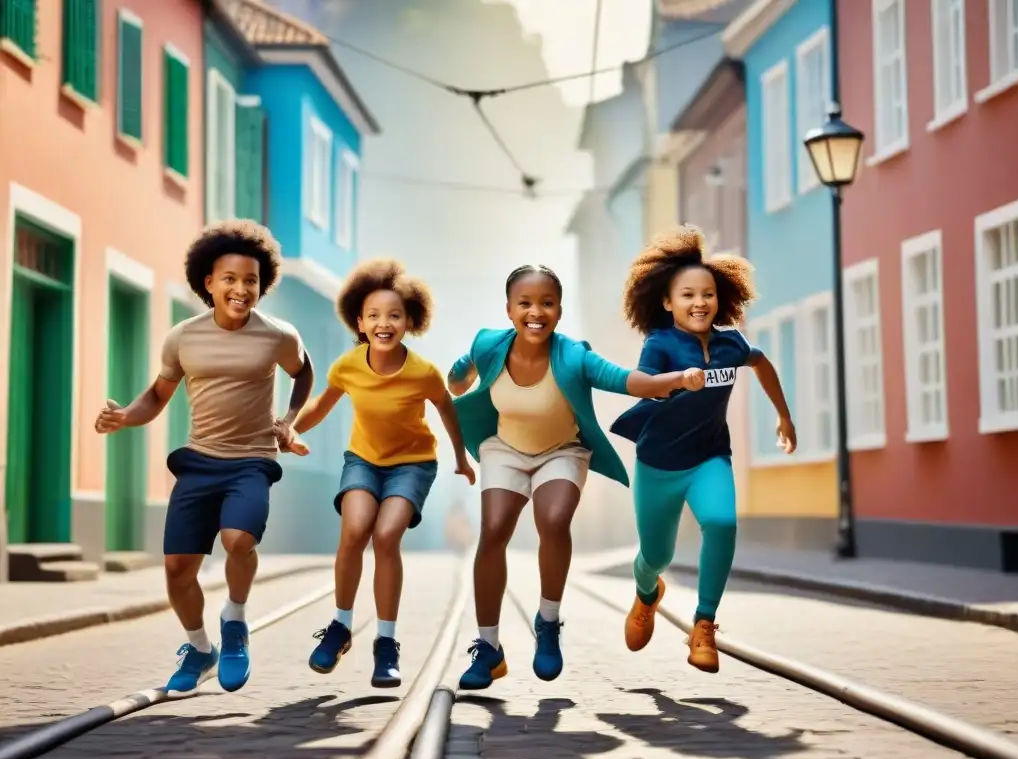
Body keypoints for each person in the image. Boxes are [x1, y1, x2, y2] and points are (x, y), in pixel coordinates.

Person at [447, 264, 704, 691]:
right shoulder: (488, 344)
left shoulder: (572, 355)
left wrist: (673, 380)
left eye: (546, 303)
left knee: (553, 520)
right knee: (493, 531)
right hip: (504, 449)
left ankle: (547, 623)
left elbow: (624, 380)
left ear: (559, 310)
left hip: (561, 451)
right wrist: (462, 371)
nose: (536, 312)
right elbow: (460, 379)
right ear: (509, 309)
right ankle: (489, 649)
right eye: (525, 304)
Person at [94, 219, 314, 695]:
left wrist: (289, 419)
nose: (241, 289)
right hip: (199, 460)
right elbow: (156, 394)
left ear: (263, 285)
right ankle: (198, 648)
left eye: (251, 280)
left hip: (252, 460)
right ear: (208, 283)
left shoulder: (278, 335)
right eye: (230, 279)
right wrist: (126, 417)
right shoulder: (183, 338)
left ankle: (234, 621)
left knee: (239, 539)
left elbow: (303, 372)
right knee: (177, 570)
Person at [610, 226, 796, 674]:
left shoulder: (732, 343)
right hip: (658, 463)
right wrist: (677, 380)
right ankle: (646, 595)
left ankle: (704, 624)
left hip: (710, 457)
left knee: (721, 522)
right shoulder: (661, 343)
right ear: (667, 302)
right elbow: (642, 385)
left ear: (721, 298)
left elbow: (762, 363)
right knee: (656, 557)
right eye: (688, 294)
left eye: (708, 294)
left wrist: (783, 415)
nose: (700, 302)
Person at [287, 258, 475, 688]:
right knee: (355, 529)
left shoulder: (423, 373)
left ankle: (386, 644)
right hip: (364, 461)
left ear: (409, 320)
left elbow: (447, 410)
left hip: (412, 464)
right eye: (373, 315)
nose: (383, 323)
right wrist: (291, 427)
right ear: (359, 321)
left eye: (393, 315)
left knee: (386, 535)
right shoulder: (348, 365)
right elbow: (321, 404)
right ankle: (339, 627)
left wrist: (461, 459)